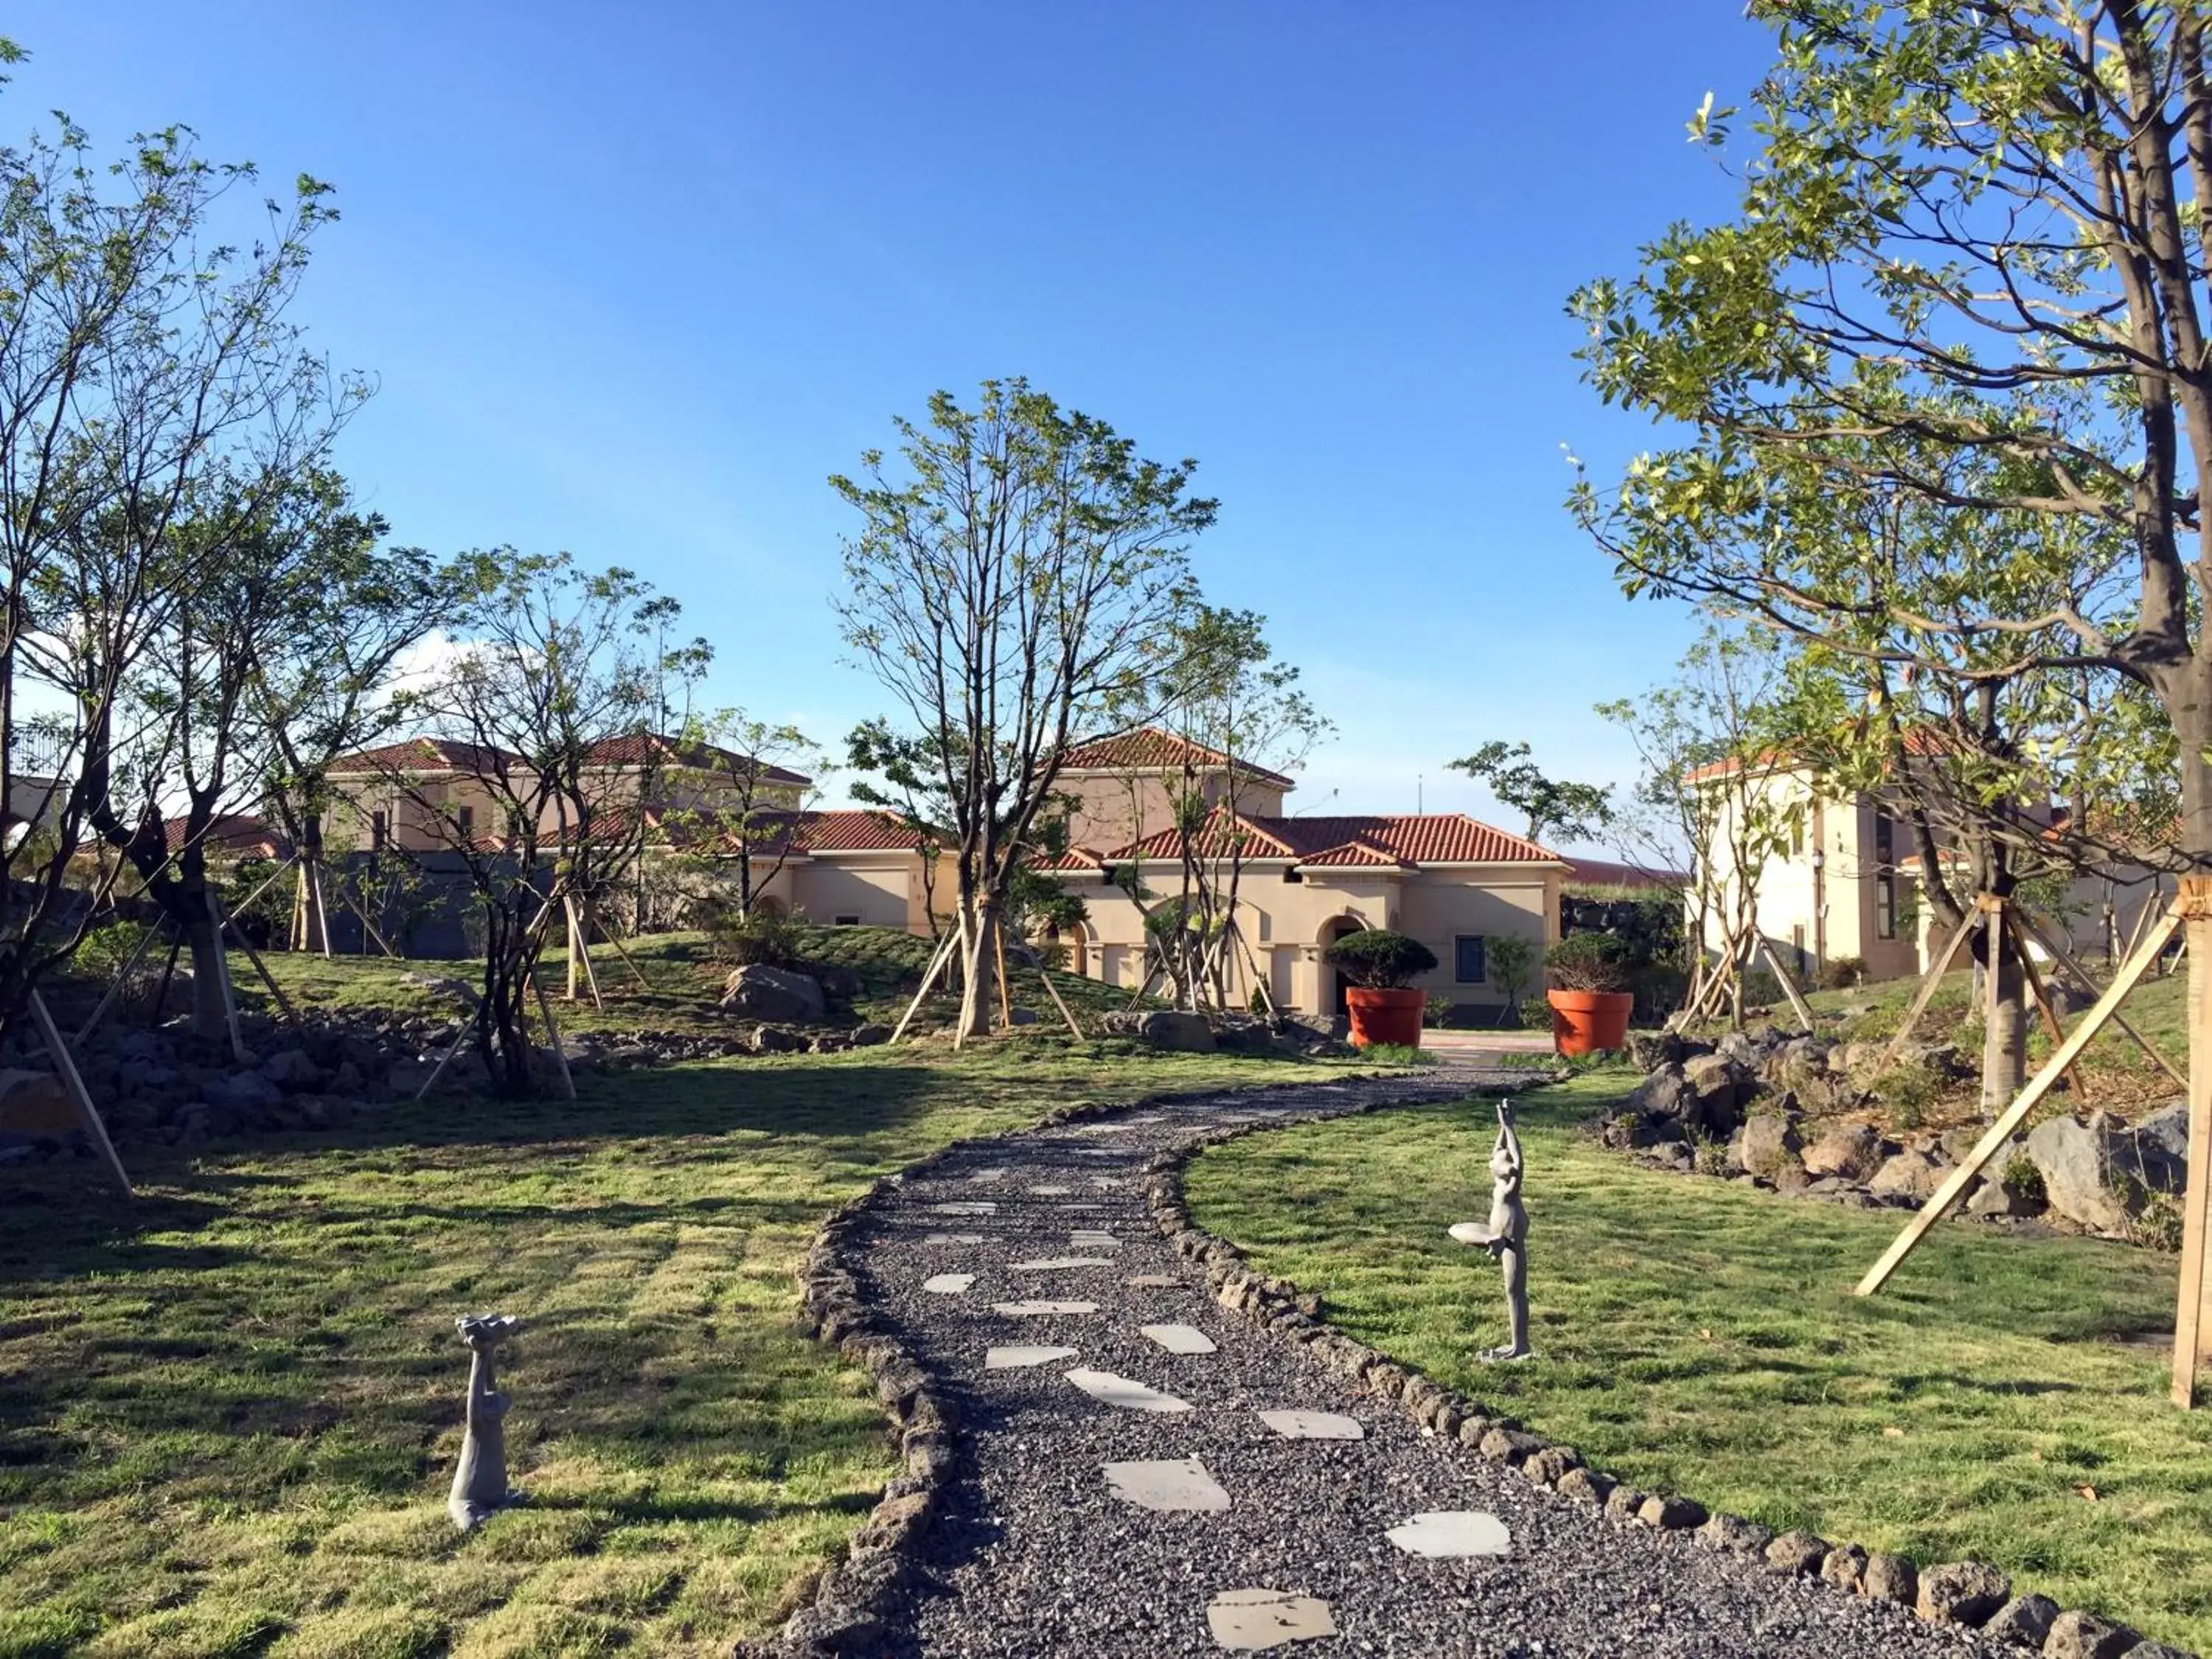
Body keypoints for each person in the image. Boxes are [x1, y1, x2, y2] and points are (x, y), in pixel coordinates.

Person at [1447, 1098, 1528, 1360]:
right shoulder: (1498, 1180)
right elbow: (1500, 1150)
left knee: (1513, 1291)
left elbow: (1518, 1162)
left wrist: (1511, 1129)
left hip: (1512, 1240)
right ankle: (1493, 1239)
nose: (1492, 1159)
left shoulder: (1508, 1186)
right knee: (1455, 1229)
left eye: (1497, 1160)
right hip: (1498, 1233)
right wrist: (1503, 1127)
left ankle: (1519, 1346)